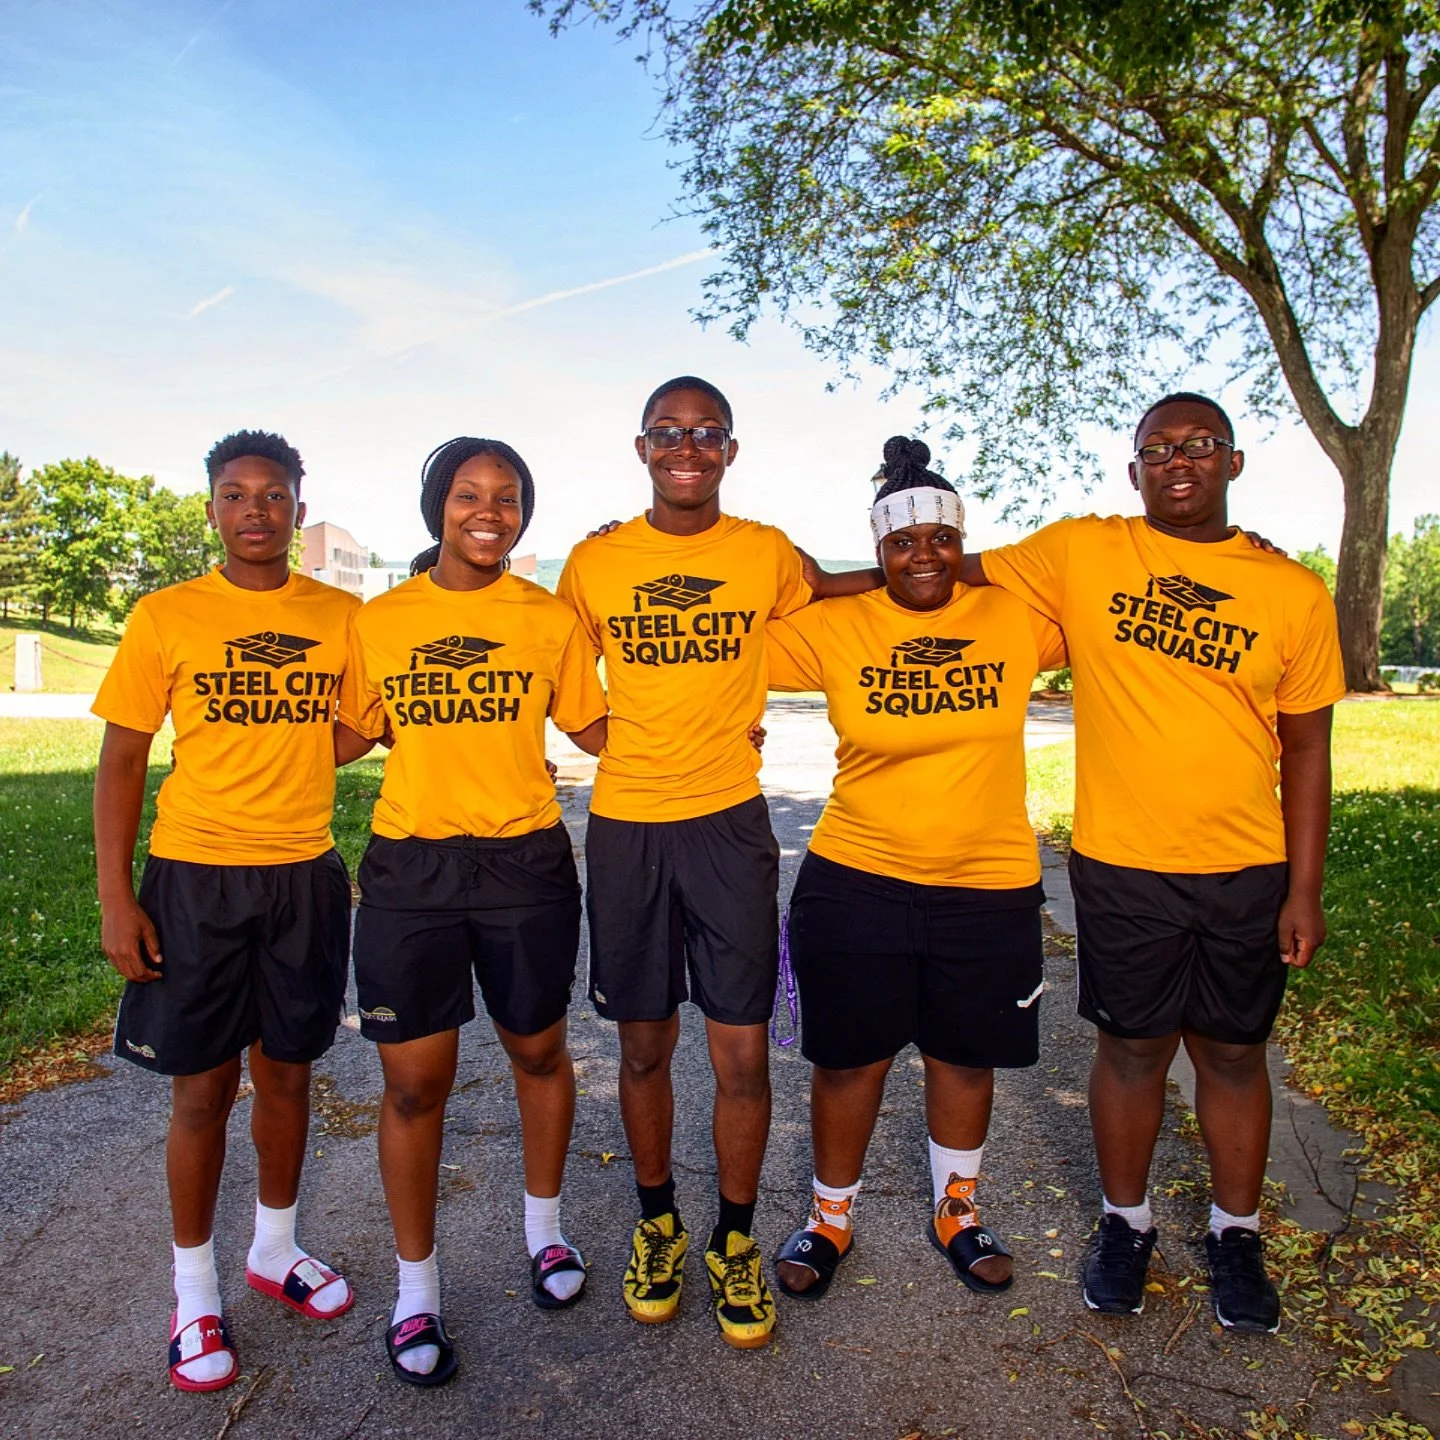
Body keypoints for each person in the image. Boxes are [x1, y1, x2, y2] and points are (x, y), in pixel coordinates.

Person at [960, 393, 1344, 1332]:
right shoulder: (1086, 551)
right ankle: (1125, 1224)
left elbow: (1308, 751)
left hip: (1246, 866)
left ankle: (1235, 1233)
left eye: (1198, 445)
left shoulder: (1291, 592)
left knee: (1232, 1050)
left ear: (1234, 463)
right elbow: (935, 567)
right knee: (1131, 1048)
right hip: (1124, 863)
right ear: (1133, 470)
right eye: (1157, 449)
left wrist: (1303, 888)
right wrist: (785, 584)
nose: (1178, 461)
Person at [556, 375, 877, 1348]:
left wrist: (943, 567)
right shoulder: (596, 561)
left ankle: (733, 1243)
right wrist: (647, 750)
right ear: (642, 445)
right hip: (626, 832)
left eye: (706, 433)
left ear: (729, 450)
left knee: (740, 1049)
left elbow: (835, 588)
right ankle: (658, 1227)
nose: (686, 446)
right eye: (668, 431)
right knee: (644, 1044)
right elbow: (566, 683)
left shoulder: (762, 552)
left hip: (732, 828)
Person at [764, 436, 1067, 1301]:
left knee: (963, 1058)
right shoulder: (836, 627)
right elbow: (743, 616)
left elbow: (1109, 604)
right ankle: (829, 1216)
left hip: (988, 881)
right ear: (879, 548)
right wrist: (834, 580)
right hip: (857, 876)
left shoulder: (1013, 618)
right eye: (902, 542)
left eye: (940, 538)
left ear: (961, 543)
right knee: (849, 1062)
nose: (923, 555)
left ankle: (958, 1211)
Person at [336, 437, 607, 1387]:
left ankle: (545, 1232)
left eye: (506, 497)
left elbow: (596, 725)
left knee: (538, 1051)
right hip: (411, 870)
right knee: (414, 1085)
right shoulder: (381, 620)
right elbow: (340, 735)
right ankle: (417, 1290)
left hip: (525, 863)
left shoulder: (547, 618)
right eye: (467, 494)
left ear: (523, 513)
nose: (486, 511)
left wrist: (706, 718)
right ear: (435, 506)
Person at [93, 430, 357, 1393]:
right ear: (211, 509)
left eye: (274, 493)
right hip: (194, 880)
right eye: (236, 494)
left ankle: (274, 1250)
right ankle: (195, 1291)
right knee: (201, 1092)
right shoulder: (166, 615)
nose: (256, 509)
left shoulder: (339, 616)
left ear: (298, 505)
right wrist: (118, 897)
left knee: (287, 1078)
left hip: (303, 877)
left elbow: (362, 721)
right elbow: (123, 759)